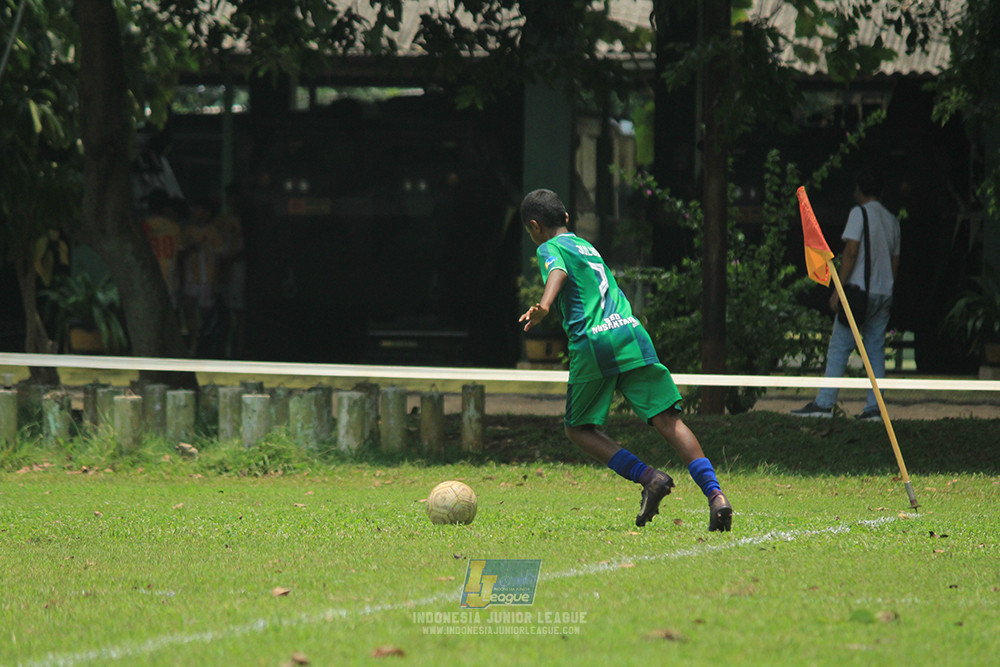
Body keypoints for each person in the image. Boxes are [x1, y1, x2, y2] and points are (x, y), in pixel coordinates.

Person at [518, 189, 733, 531]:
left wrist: (545, 305)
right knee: (669, 421)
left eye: (531, 232)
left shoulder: (549, 247)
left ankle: (649, 477)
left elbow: (556, 271)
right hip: (631, 333)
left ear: (534, 226)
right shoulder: (586, 245)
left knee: (577, 428)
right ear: (568, 219)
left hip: (595, 342)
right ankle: (716, 495)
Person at [792, 169, 901, 421]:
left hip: (858, 292)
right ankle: (875, 408)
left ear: (858, 190)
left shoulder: (858, 214)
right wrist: (887, 287)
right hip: (883, 292)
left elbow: (851, 252)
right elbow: (896, 261)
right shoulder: (891, 220)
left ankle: (824, 403)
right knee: (875, 349)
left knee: (839, 346)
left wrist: (838, 289)